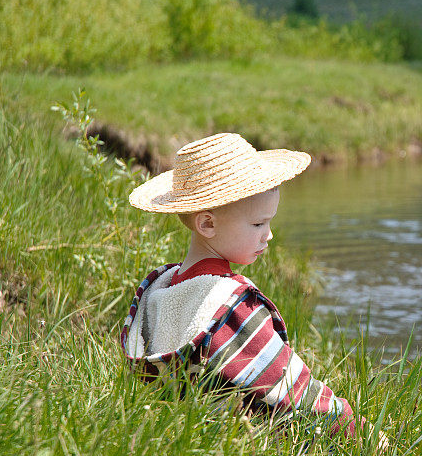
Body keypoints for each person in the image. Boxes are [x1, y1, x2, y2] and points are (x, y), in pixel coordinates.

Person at [120, 132, 365, 438]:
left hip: (168, 431)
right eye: (258, 224)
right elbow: (292, 390)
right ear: (207, 224)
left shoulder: (157, 290)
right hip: (226, 439)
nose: (269, 235)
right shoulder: (230, 307)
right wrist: (356, 429)